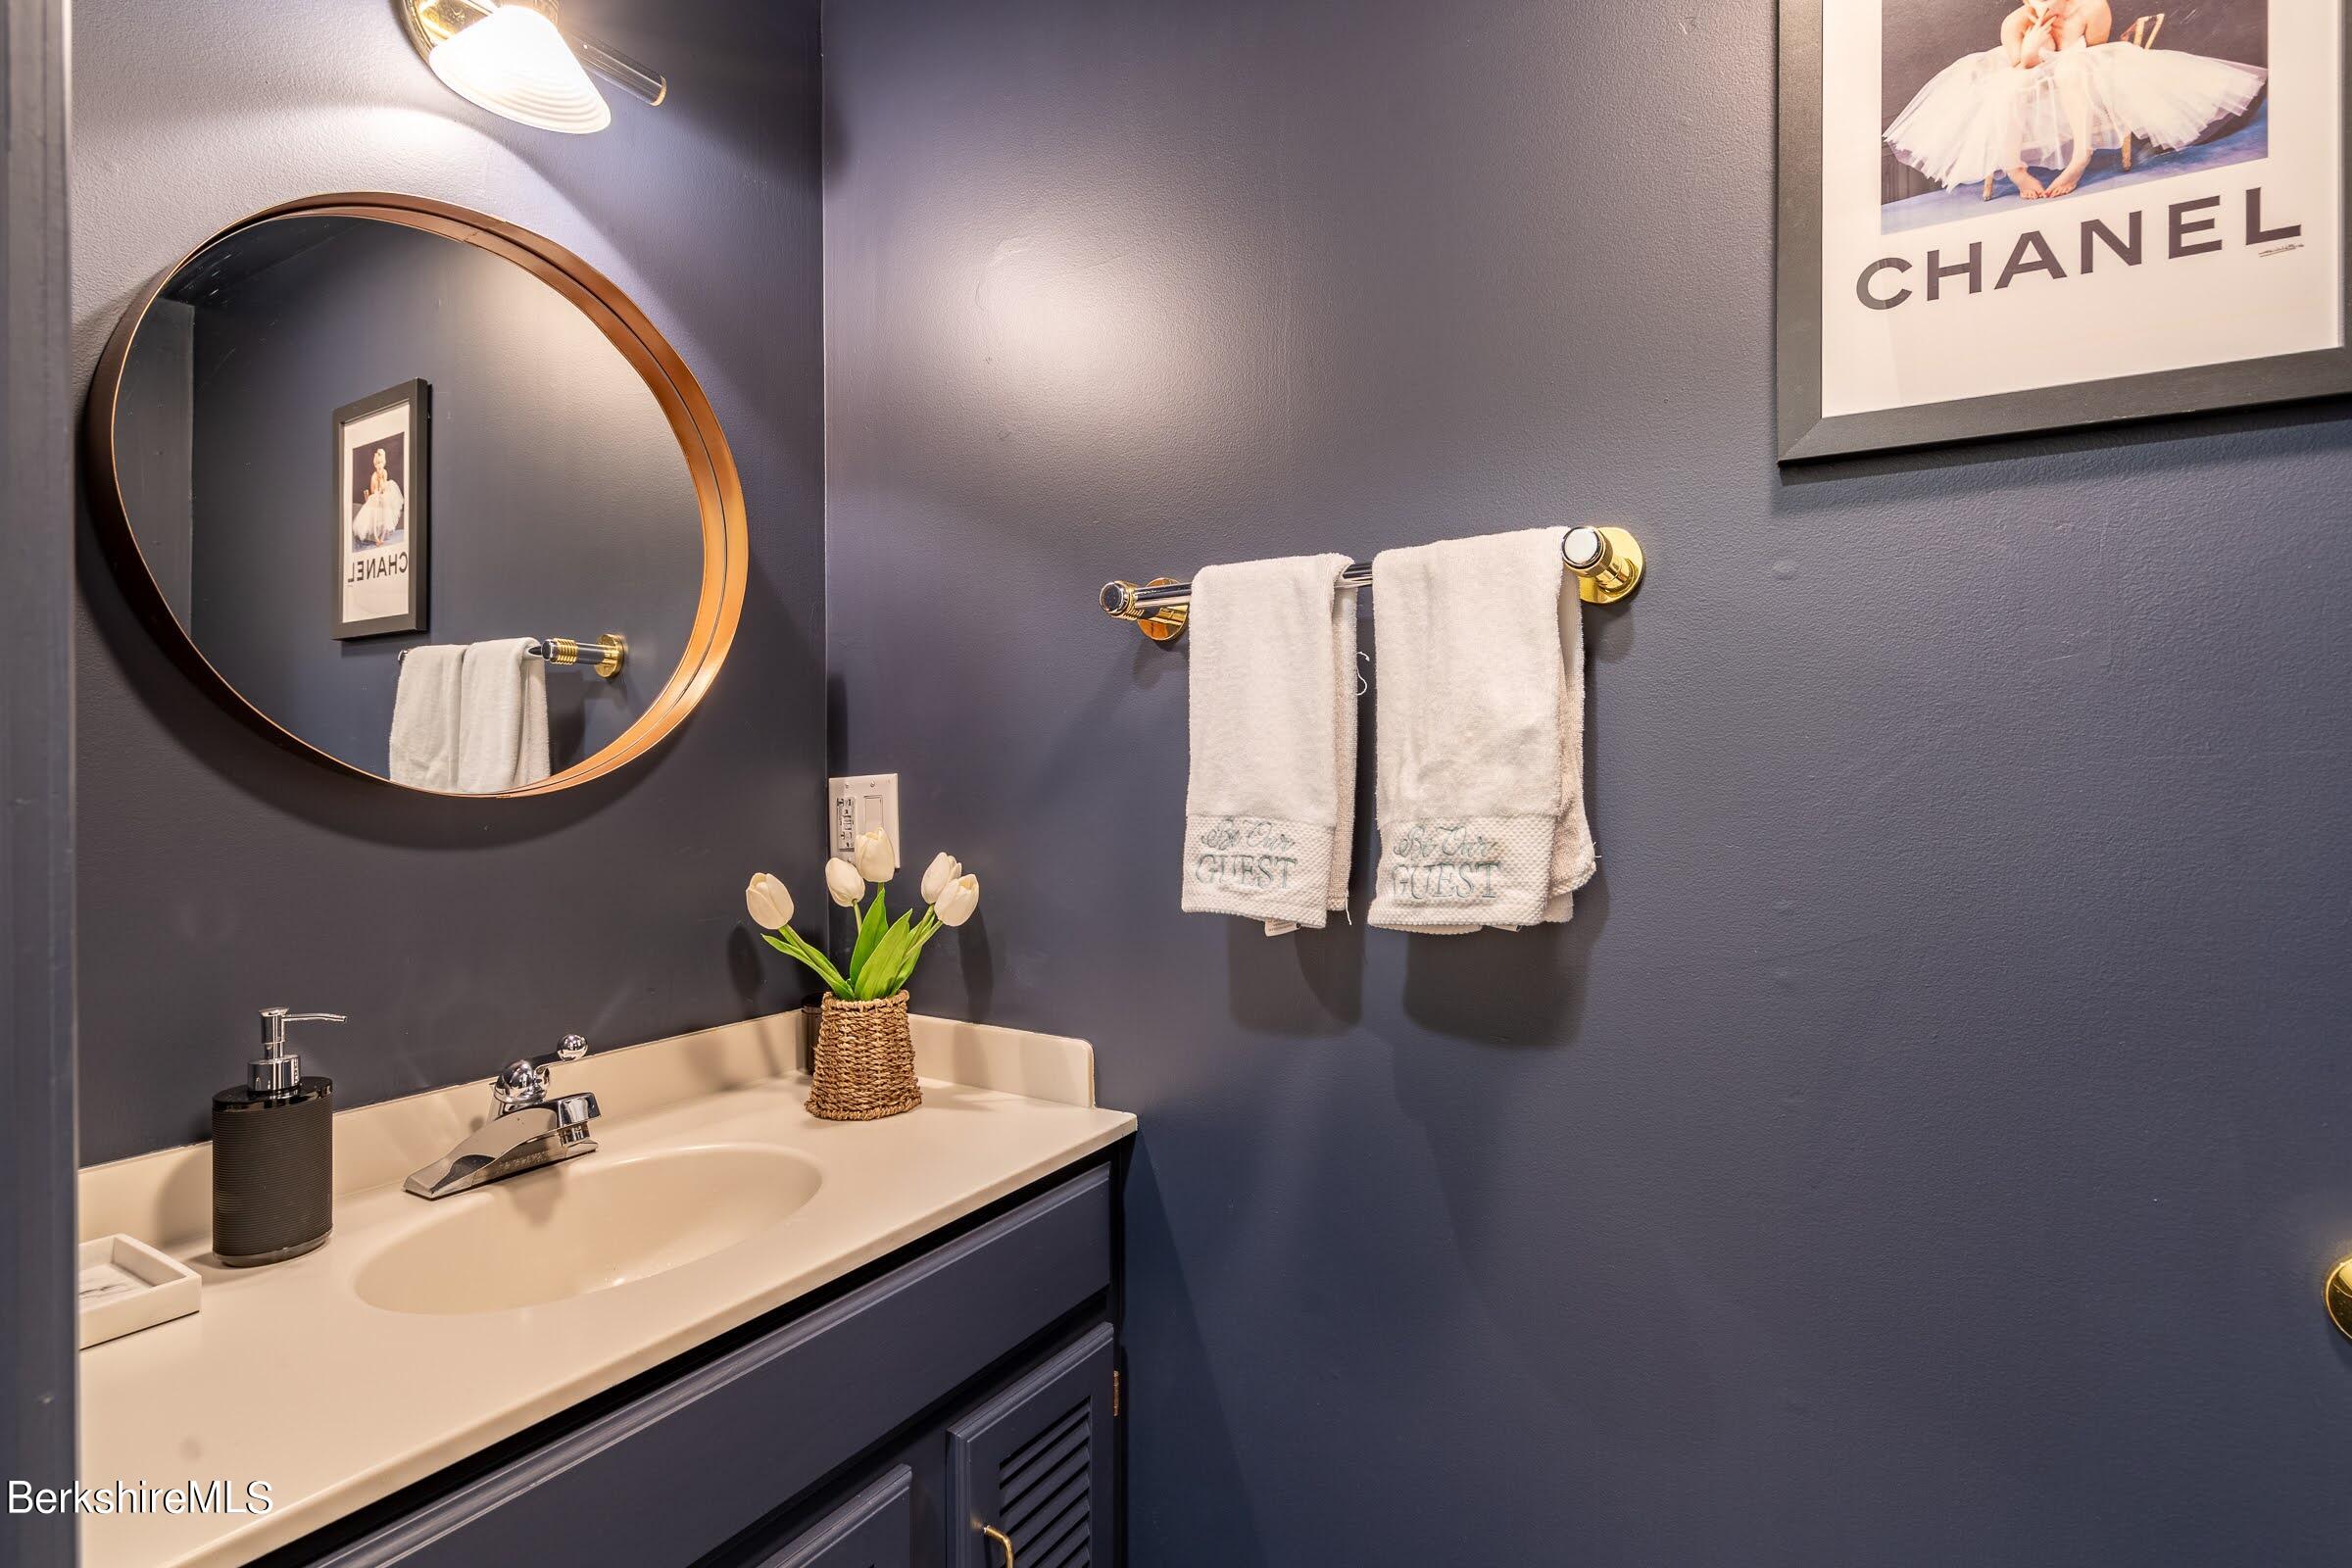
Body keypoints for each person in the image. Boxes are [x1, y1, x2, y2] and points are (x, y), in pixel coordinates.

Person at [1886, 0, 2266, 201]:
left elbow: (2098, 57)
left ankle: (2080, 156)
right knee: (2011, 86)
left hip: (2080, 81)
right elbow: (2020, 69)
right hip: (2030, 83)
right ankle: (2016, 169)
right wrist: (2034, 47)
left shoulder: (2092, 8)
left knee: (2072, 68)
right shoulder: (2017, 23)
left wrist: (2064, 56)